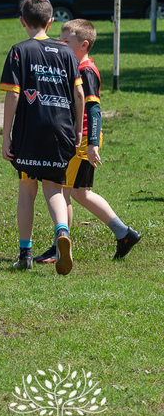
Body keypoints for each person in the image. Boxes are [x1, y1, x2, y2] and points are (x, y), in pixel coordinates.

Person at [32, 19, 141, 264]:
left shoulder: (86, 71)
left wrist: (92, 144)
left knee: (62, 191)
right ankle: (124, 233)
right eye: (59, 38)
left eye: (66, 41)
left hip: (79, 142)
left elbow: (94, 110)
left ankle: (59, 247)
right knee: (79, 193)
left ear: (83, 45)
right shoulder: (74, 66)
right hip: (76, 140)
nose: (60, 43)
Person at [0, 0, 84, 275]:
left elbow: (13, 95)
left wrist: (6, 135)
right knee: (55, 189)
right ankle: (63, 230)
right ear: (51, 22)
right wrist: (77, 129)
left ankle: (25, 254)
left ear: (22, 21)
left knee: (27, 191)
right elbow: (79, 92)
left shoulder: (19, 51)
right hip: (61, 129)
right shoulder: (66, 53)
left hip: (29, 130)